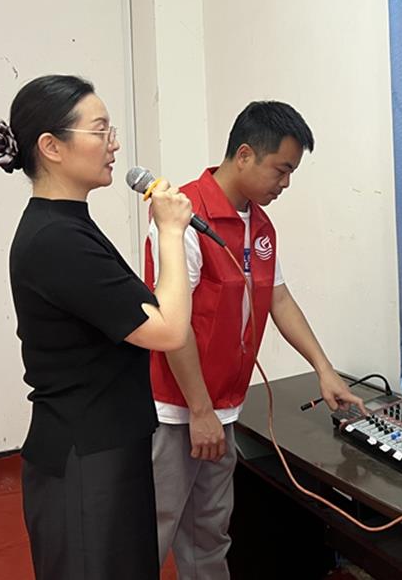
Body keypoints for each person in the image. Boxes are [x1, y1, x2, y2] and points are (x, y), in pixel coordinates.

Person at [0, 74, 193, 580]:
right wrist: (170, 232)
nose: (113, 144)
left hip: (106, 446)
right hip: (85, 460)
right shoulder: (56, 239)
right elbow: (167, 330)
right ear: (52, 147)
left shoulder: (69, 224)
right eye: (100, 131)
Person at [145, 100, 366, 579]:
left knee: (210, 531)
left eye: (291, 173)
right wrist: (199, 411)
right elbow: (173, 324)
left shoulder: (260, 225)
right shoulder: (184, 216)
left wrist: (324, 369)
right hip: (178, 409)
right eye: (281, 170)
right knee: (152, 531)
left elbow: (279, 299)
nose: (285, 184)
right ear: (244, 154)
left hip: (223, 407)